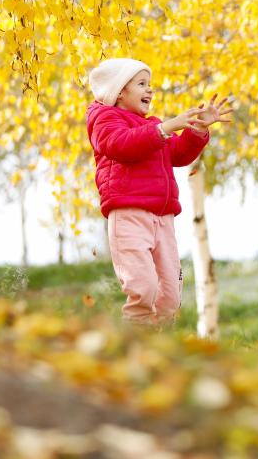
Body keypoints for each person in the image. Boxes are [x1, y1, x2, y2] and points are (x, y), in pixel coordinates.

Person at [86, 58, 232, 325]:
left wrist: (198, 129)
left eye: (149, 84)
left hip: (163, 219)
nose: (150, 90)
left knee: (170, 294)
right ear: (120, 91)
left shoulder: (153, 125)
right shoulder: (105, 119)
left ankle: (162, 342)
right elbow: (120, 145)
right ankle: (136, 340)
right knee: (143, 287)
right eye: (142, 84)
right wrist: (164, 128)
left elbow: (179, 154)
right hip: (129, 215)